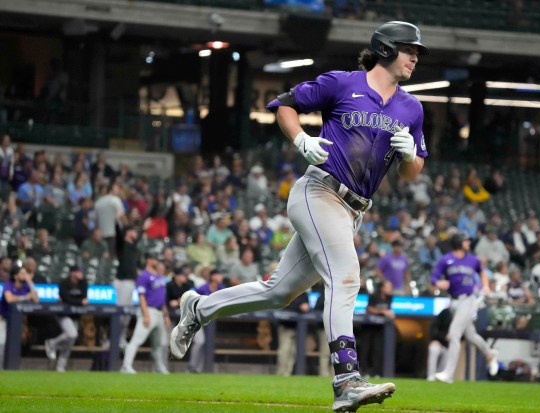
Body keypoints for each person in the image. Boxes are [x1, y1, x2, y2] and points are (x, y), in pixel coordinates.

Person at [170, 20, 431, 411]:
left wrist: (411, 155)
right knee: (345, 278)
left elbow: (414, 171)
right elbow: (284, 105)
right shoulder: (342, 83)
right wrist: (301, 138)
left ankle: (199, 308)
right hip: (319, 190)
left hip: (353, 209)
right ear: (386, 49)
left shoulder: (412, 107)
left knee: (278, 291)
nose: (415, 57)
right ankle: (346, 378)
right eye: (410, 49)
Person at [430, 233, 499, 383]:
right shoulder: (446, 259)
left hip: (468, 300)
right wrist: (439, 283)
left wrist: (486, 286)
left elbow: (482, 273)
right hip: (453, 302)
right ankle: (489, 354)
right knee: (471, 335)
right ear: (458, 242)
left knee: (454, 333)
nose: (468, 243)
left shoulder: (473, 259)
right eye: (466, 240)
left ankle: (448, 374)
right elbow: (433, 278)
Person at [121, 254, 170, 374]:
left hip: (159, 313)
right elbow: (141, 296)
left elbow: (161, 298)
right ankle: (126, 366)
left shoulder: (159, 276)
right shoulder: (144, 276)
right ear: (149, 261)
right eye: (155, 260)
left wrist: (166, 315)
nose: (157, 262)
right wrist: (146, 314)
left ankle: (159, 368)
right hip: (149, 311)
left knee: (159, 344)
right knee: (137, 340)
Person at [44, 265, 87, 372]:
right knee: (72, 334)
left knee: (70, 342)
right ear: (72, 273)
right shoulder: (64, 283)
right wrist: (78, 302)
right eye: (78, 272)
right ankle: (52, 343)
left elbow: (84, 298)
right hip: (63, 313)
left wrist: (77, 301)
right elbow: (66, 299)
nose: (81, 274)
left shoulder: (83, 283)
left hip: (75, 315)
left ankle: (60, 366)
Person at [0, 265, 40, 369]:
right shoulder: (9, 285)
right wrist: (24, 297)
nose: (25, 276)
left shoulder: (26, 286)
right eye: (22, 273)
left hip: (16, 320)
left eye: (26, 273)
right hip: (3, 318)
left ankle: (13, 365)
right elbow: (9, 299)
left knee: (18, 342)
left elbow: (36, 300)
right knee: (2, 342)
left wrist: (30, 282)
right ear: (15, 276)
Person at [187, 268, 225, 373]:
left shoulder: (221, 288)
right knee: (200, 342)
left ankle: (198, 369)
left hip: (209, 319)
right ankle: (191, 367)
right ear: (213, 277)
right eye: (218, 275)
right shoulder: (203, 288)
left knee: (207, 343)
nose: (221, 277)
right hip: (197, 317)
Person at [359, 280, 395, 378]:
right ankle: (364, 371)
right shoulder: (374, 295)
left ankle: (375, 372)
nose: (390, 289)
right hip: (368, 327)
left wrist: (389, 313)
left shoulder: (389, 297)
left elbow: (389, 310)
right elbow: (369, 309)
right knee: (366, 349)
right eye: (388, 287)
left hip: (379, 328)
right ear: (382, 288)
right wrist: (383, 312)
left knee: (377, 350)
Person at [276, 290, 311, 376]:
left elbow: (308, 308)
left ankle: (288, 372)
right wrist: (299, 306)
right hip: (286, 325)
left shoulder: (304, 293)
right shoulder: (288, 290)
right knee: (285, 349)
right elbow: (284, 306)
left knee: (294, 351)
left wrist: (307, 307)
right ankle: (281, 372)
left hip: (299, 327)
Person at [426, 307, 452, 381]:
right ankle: (431, 376)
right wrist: (434, 339)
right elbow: (433, 326)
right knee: (434, 349)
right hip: (438, 342)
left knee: (447, 359)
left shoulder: (461, 315)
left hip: (448, 345)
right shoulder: (445, 312)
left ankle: (439, 376)